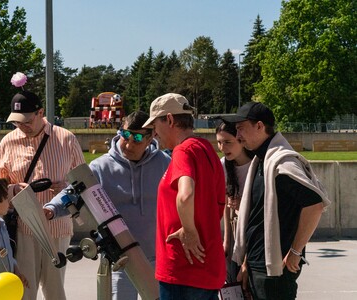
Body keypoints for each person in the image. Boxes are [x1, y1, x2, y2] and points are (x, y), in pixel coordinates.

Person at [44, 111, 171, 300]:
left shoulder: (165, 164)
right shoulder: (100, 167)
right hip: (121, 260)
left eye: (137, 138)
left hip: (159, 259)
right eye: (125, 135)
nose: (128, 144)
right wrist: (51, 209)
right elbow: (72, 193)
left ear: (151, 137)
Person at [221, 102, 331, 300]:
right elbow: (257, 219)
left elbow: (315, 205)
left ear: (260, 126)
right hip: (257, 267)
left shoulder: (282, 164)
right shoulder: (261, 161)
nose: (238, 136)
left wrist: (296, 251)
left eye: (241, 129)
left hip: (274, 272)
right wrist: (247, 262)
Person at [0, 90, 85, 300]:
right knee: (24, 290)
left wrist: (66, 186)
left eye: (26, 121)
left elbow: (84, 182)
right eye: (16, 122)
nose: (21, 127)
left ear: (40, 112)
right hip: (24, 230)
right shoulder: (7, 142)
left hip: (58, 229)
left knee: (55, 291)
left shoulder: (66, 139)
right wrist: (14, 190)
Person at [142, 93, 226, 300]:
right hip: (206, 266)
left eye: (155, 127)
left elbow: (185, 195)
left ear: (169, 120)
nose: (154, 134)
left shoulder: (183, 151)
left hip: (182, 269)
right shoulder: (206, 149)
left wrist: (189, 231)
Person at [216, 121, 254, 286]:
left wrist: (244, 206)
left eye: (227, 142)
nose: (222, 148)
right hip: (234, 231)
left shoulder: (257, 164)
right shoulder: (224, 164)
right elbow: (225, 204)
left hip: (253, 232)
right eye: (219, 142)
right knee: (233, 282)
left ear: (241, 140)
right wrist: (226, 240)